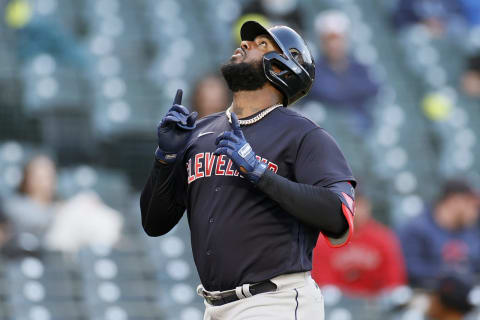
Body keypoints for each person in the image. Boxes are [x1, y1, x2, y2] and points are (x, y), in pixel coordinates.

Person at [140, 20, 356, 319]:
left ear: (281, 68)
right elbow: (155, 223)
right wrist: (165, 159)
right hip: (214, 306)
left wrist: (261, 174)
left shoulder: (304, 135)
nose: (245, 44)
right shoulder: (199, 131)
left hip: (274, 301)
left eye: (261, 44)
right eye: (248, 41)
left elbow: (338, 217)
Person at [312, 192, 406, 297]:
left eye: (360, 205)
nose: (356, 210)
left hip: (375, 303)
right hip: (338, 304)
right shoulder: (324, 239)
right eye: (351, 204)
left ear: (368, 206)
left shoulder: (383, 238)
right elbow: (323, 283)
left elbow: (393, 281)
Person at [398, 179, 480, 289]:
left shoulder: (471, 232)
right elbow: (409, 269)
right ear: (455, 201)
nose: (476, 212)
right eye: (473, 206)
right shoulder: (417, 229)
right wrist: (449, 277)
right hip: (426, 296)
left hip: (466, 296)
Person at [308, 10, 379, 133]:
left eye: (338, 38)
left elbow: (373, 90)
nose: (334, 45)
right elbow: (327, 93)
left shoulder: (361, 68)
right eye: (328, 39)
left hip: (362, 130)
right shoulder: (312, 72)